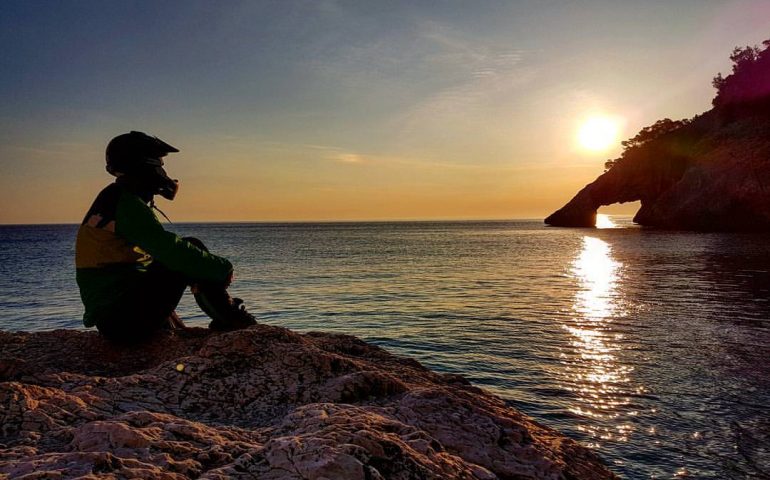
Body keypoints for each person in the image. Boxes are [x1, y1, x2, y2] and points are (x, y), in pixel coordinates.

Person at [75, 131, 256, 343]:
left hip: (115, 317)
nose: (163, 172)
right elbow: (171, 251)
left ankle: (223, 317)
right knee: (190, 249)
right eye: (159, 164)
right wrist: (222, 268)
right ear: (146, 167)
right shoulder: (126, 205)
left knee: (185, 255)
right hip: (122, 322)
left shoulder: (113, 199)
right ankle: (232, 320)